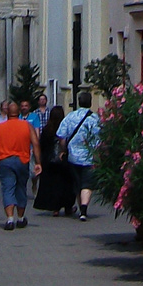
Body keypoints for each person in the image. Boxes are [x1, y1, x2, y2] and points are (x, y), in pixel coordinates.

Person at [0, 100, 41, 229]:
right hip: (22, 160)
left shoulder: (0, 127)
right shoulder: (27, 126)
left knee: (8, 188)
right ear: (18, 113)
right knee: (21, 188)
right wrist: (38, 162)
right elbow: (35, 143)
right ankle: (21, 218)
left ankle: (10, 219)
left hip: (5, 161)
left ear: (7, 113)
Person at [57, 89, 100, 221]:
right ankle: (84, 209)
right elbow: (99, 138)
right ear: (90, 103)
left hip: (73, 156)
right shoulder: (94, 118)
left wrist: (63, 150)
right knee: (87, 184)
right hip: (89, 156)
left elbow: (61, 136)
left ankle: (81, 206)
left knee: (77, 183)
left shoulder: (70, 117)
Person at [33, 105, 70, 215]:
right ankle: (67, 206)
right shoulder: (64, 129)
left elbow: (42, 145)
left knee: (51, 185)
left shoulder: (46, 129)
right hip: (62, 160)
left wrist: (39, 160)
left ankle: (55, 208)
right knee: (65, 184)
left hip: (48, 161)